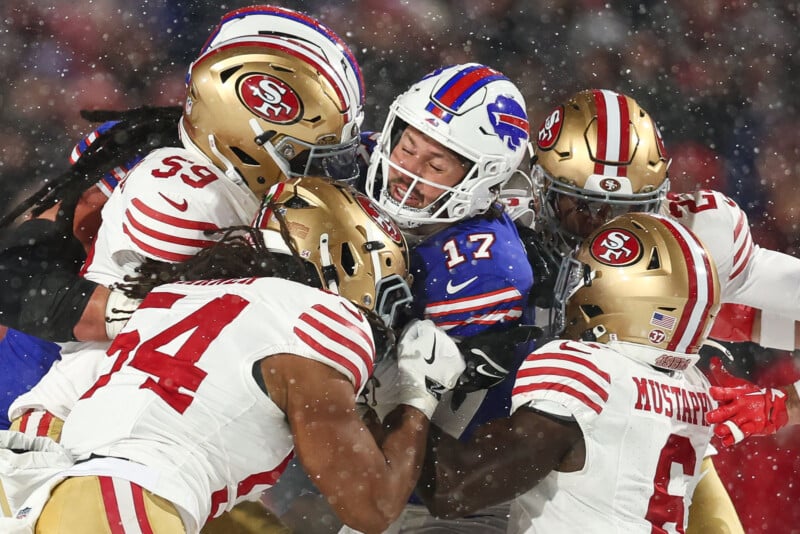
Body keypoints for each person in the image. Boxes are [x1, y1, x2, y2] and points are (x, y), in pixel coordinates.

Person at [2, 176, 467, 534]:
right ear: (345, 262)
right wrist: (417, 399)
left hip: (34, 483)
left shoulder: (176, 294)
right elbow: (372, 507)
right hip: (120, 501)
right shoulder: (320, 320)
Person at [1, 4, 365, 436]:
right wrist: (140, 315)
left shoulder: (289, 193)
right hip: (50, 392)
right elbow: (18, 275)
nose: (328, 170)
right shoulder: (147, 165)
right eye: (310, 151)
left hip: (170, 414)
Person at [507, 87, 800, 532]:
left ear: (660, 200)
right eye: (582, 208)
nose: (605, 231)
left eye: (627, 211)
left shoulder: (699, 236)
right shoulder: (499, 233)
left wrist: (788, 403)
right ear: (541, 187)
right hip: (516, 448)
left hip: (652, 452)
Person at [415, 211, 721, 533]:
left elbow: (452, 488)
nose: (572, 288)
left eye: (583, 278)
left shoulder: (589, 371)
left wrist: (408, 393)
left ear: (617, 294)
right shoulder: (695, 387)